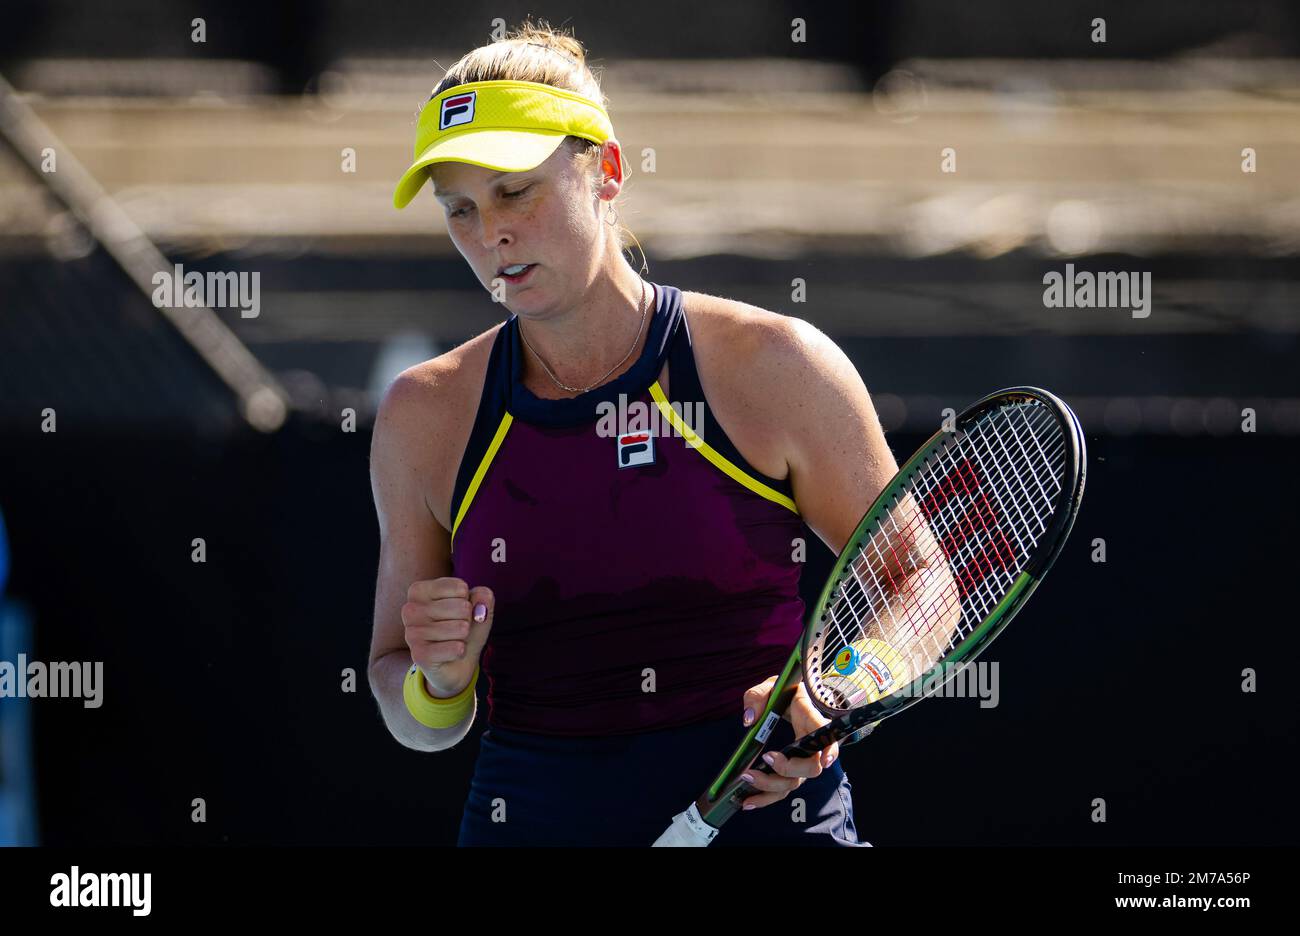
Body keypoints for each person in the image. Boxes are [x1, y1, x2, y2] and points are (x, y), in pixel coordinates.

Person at [368, 19, 899, 846]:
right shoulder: (423, 414)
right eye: (459, 209)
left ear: (607, 171)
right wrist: (439, 683)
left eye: (515, 191)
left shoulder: (774, 364)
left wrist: (841, 691)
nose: (489, 235)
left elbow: (920, 582)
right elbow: (411, 708)